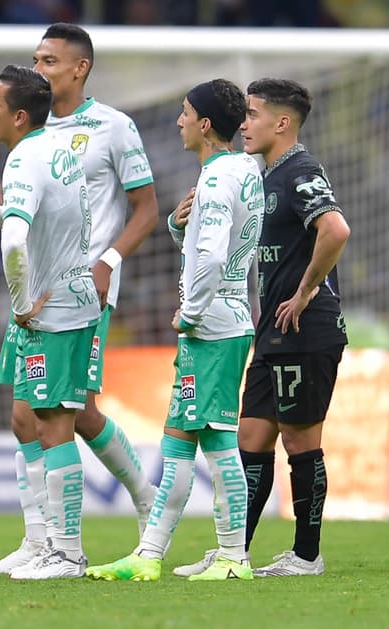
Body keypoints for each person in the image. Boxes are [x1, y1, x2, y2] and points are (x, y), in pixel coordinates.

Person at [0, 24, 160, 576]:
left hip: (80, 291)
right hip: (37, 289)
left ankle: (136, 505)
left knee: (61, 413)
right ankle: (40, 540)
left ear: (80, 68)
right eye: (36, 59)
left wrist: (106, 263)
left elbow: (146, 208)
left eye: (50, 60)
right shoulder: (34, 138)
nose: (40, 68)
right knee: (28, 417)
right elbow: (21, 219)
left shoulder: (114, 127)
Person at [87, 79, 262, 583]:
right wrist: (178, 229)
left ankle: (233, 558)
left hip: (212, 325)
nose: (179, 121)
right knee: (179, 443)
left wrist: (191, 311)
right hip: (225, 320)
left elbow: (210, 256)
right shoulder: (243, 171)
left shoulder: (214, 180)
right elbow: (219, 242)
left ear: (206, 124)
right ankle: (149, 554)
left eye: (186, 113)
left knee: (220, 442)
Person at [174, 77, 351, 578]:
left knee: (300, 442)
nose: (243, 124)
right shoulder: (261, 175)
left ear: (282, 122)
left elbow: (335, 229)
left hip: (305, 327)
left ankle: (307, 555)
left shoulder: (301, 171)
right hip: (272, 328)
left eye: (252, 115)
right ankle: (235, 553)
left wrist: (306, 290)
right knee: (250, 439)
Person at [0, 64, 101, 579]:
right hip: (58, 302)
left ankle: (68, 552)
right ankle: (38, 543)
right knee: (24, 420)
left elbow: (16, 243)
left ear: (18, 116)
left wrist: (20, 306)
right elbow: (43, 218)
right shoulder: (54, 149)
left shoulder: (22, 161)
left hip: (51, 310)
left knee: (55, 423)